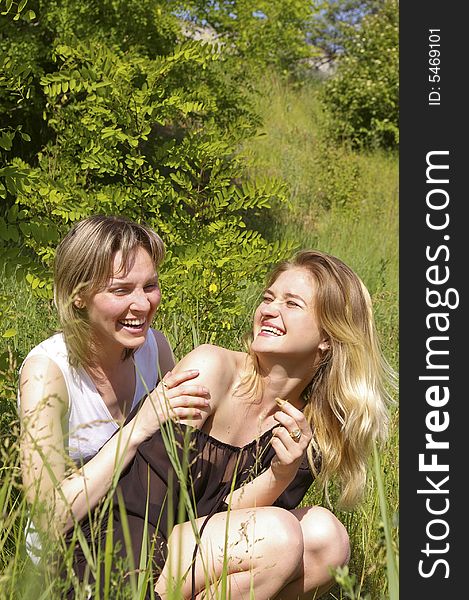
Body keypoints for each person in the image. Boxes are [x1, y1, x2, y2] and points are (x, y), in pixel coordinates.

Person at [68, 249, 396, 600]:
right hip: (114, 548)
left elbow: (229, 525)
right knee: (280, 535)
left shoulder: (307, 427)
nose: (270, 310)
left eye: (292, 304)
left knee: (327, 540)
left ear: (327, 338)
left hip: (187, 550)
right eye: (269, 298)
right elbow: (144, 505)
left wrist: (279, 475)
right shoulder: (212, 371)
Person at [17, 215, 210, 564]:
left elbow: (182, 455)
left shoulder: (155, 348)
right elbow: (48, 518)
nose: (142, 304)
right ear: (78, 296)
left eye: (149, 286)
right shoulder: (47, 372)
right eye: (121, 290)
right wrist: (138, 428)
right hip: (68, 553)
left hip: (144, 525)